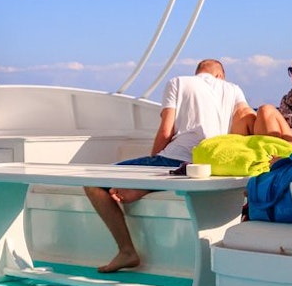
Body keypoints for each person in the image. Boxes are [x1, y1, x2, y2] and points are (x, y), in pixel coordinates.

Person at [84, 59, 254, 273]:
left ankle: (127, 250)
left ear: (198, 72)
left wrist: (152, 168)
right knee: (166, 173)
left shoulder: (178, 82)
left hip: (175, 160)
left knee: (92, 183)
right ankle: (140, 188)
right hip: (209, 165)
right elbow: (247, 120)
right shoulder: (233, 89)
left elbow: (166, 131)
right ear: (220, 75)